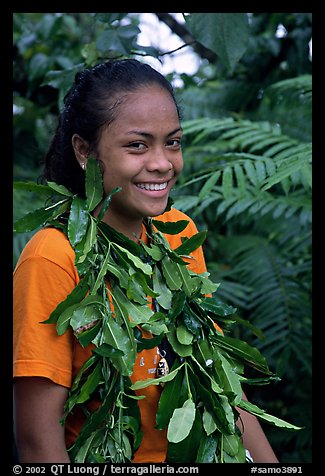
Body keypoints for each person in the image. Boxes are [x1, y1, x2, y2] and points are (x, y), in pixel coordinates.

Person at [13, 58, 279, 464]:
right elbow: (36, 439)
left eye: (172, 142)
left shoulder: (177, 232)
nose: (162, 163)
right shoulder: (54, 257)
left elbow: (220, 385)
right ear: (85, 150)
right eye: (137, 145)